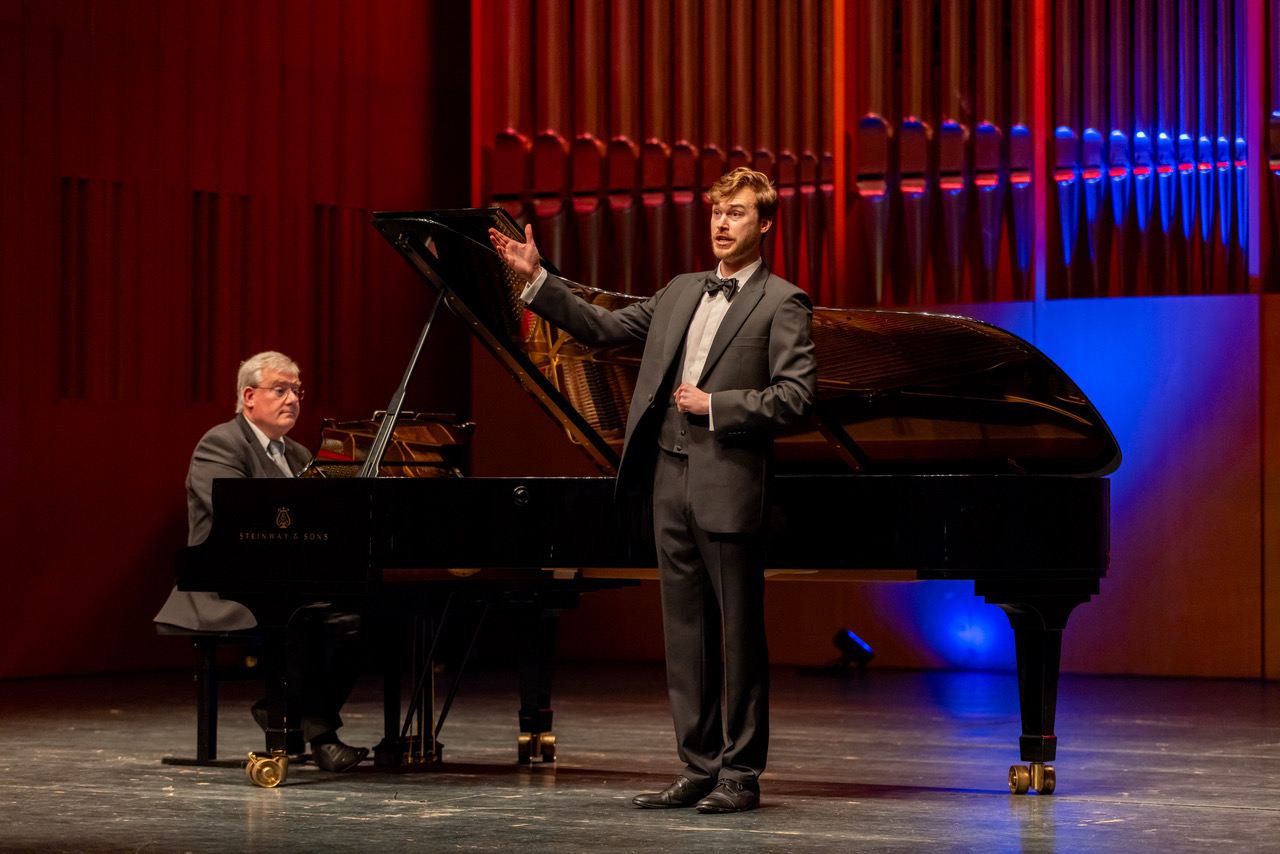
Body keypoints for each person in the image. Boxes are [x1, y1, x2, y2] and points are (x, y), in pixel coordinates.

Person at [489, 167, 817, 813]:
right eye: (718, 212)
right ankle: (697, 767)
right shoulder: (680, 292)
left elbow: (797, 399)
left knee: (738, 637)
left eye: (739, 214)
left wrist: (716, 404)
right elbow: (601, 328)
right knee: (686, 634)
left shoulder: (783, 302)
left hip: (728, 484)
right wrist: (537, 279)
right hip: (667, 480)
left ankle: (740, 775)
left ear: (766, 224)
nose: (723, 224)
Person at [154, 351, 367, 773]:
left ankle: (280, 709)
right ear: (249, 396)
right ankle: (320, 736)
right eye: (280, 389)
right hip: (224, 584)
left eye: (297, 391)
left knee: (364, 618)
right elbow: (237, 518)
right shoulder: (221, 443)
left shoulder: (300, 454)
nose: (292, 399)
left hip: (287, 580)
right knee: (303, 619)